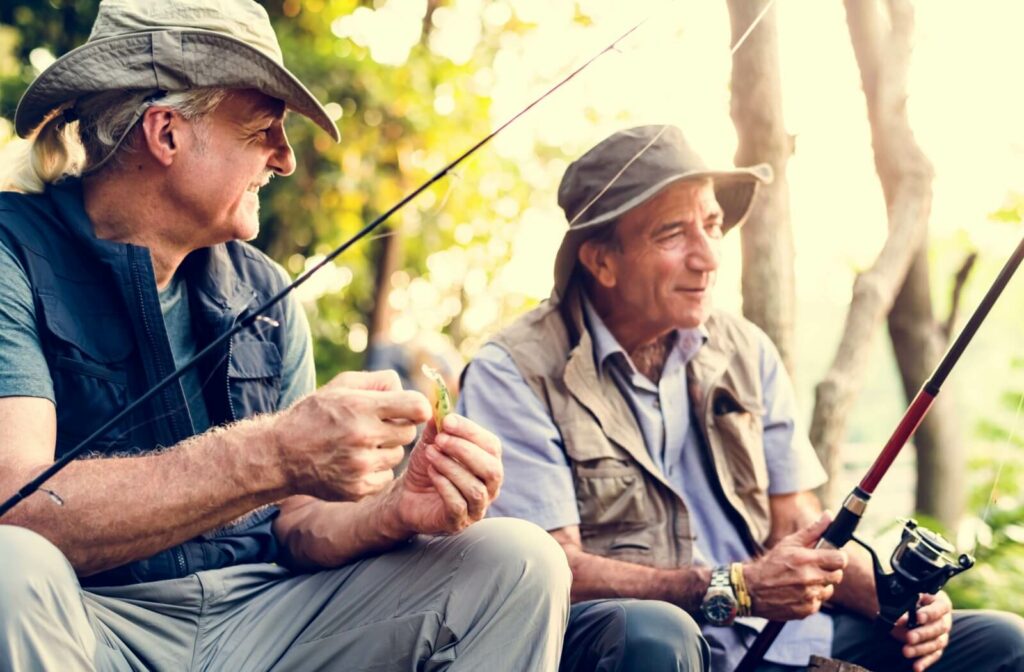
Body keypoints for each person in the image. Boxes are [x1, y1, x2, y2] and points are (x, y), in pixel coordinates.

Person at [0, 1, 570, 669]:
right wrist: (272, 451)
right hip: (88, 619)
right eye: (263, 129)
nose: (287, 159)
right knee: (10, 564)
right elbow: (17, 507)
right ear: (167, 133)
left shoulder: (265, 290)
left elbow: (297, 524)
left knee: (519, 561)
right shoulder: (14, 250)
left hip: (263, 619)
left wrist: (395, 510)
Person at [457, 124, 1024, 672]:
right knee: (658, 634)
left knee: (1003, 644)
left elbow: (798, 521)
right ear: (601, 260)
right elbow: (552, 571)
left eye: (712, 225)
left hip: (789, 641)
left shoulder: (745, 348)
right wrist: (734, 589)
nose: (708, 256)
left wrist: (894, 598)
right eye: (673, 234)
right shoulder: (513, 373)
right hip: (644, 648)